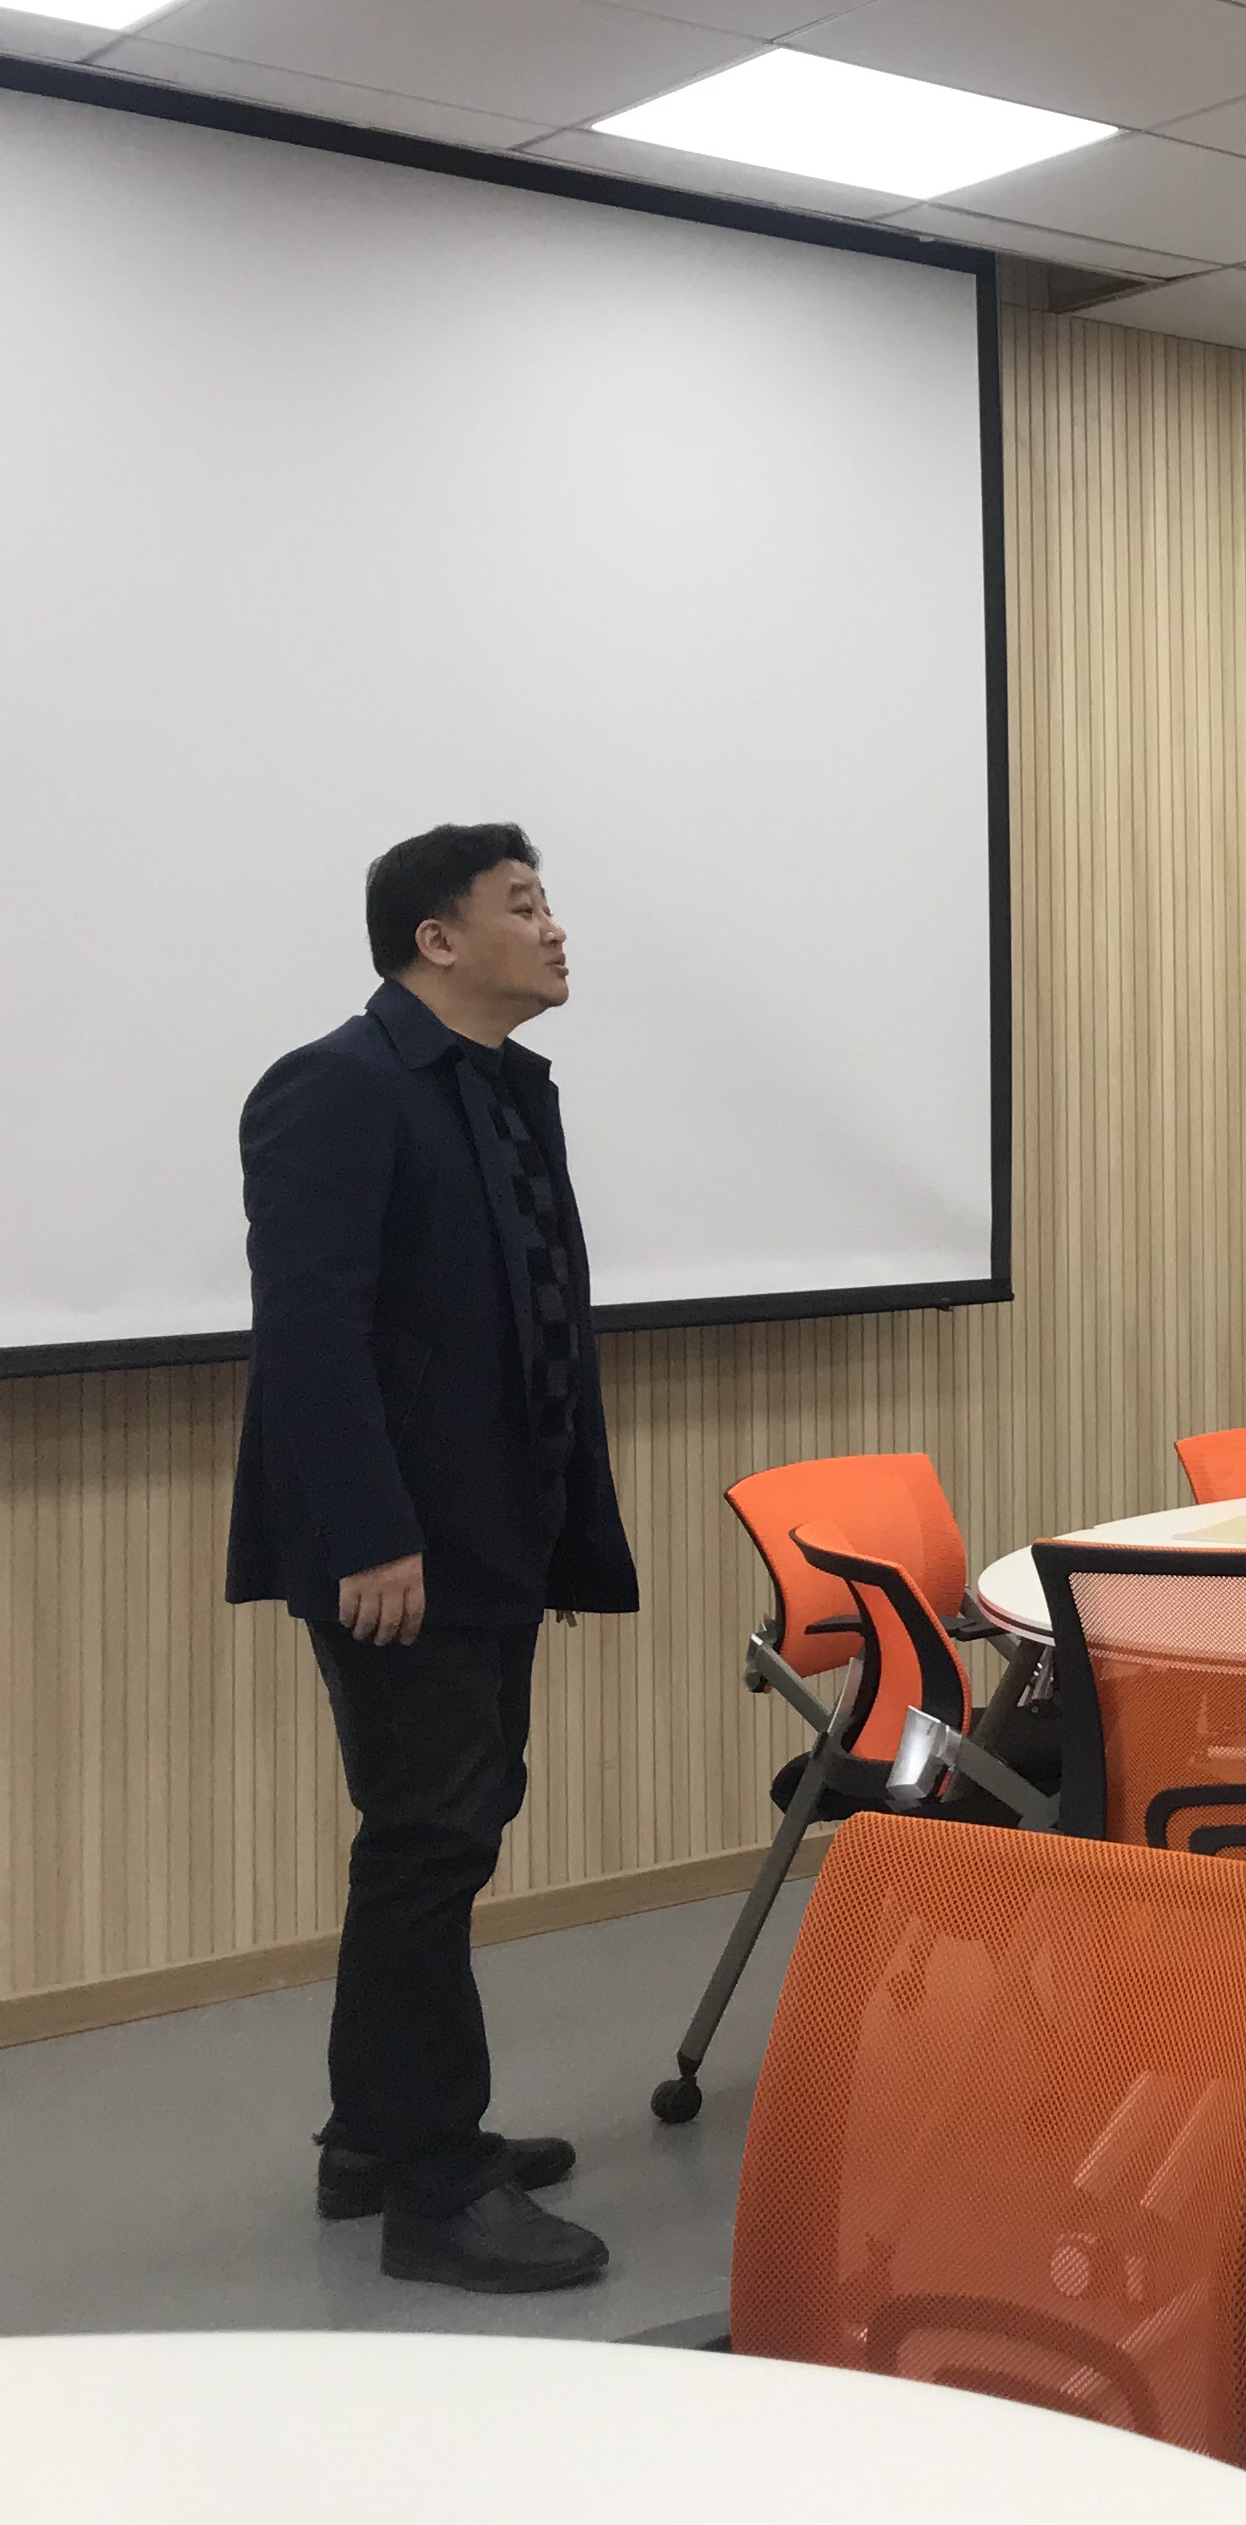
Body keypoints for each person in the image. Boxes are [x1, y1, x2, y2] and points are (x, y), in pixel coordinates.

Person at [226, 825, 635, 2291]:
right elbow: (311, 1330)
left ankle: (372, 2139)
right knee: (430, 1839)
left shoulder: (503, 1088)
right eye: (523, 905)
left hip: (491, 1527)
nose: (555, 927)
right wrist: (371, 1534)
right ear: (437, 940)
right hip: (401, 1546)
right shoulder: (337, 1086)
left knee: (440, 1829)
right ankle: (437, 2189)